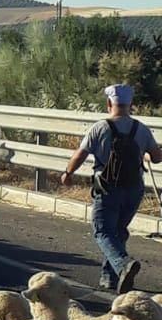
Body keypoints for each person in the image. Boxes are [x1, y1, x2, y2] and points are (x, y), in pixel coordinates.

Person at [61, 83, 160, 292]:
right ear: (130, 104)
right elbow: (157, 157)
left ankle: (123, 264)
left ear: (109, 103)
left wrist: (68, 173)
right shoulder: (141, 128)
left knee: (102, 231)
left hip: (107, 188)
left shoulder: (100, 127)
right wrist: (146, 153)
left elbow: (81, 154)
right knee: (118, 231)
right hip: (134, 189)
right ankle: (110, 277)